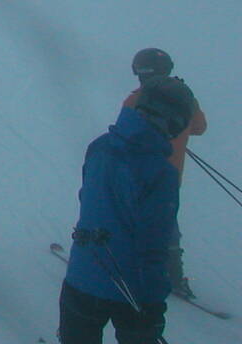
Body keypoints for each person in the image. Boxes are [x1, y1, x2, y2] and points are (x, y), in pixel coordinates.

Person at [58, 75, 196, 344]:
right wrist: (153, 303)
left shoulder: (100, 146)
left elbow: (89, 199)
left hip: (82, 277)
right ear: (174, 121)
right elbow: (154, 241)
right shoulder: (160, 172)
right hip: (131, 289)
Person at [123, 48, 207, 301]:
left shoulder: (136, 99)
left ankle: (116, 259)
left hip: (135, 174)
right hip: (170, 176)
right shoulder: (184, 98)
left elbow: (123, 132)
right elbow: (200, 127)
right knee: (166, 222)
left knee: (126, 213)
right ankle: (174, 277)